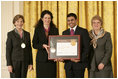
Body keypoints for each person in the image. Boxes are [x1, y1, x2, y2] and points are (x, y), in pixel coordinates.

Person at [61, 13, 90, 78]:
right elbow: (63, 48)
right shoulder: (64, 33)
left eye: (72, 20)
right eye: (68, 20)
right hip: (68, 65)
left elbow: (87, 48)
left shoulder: (83, 31)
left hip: (79, 65)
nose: (70, 22)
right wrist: (61, 57)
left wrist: (79, 59)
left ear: (76, 20)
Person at [32, 10, 59, 78]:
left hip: (52, 59)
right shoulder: (37, 29)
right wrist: (42, 46)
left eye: (49, 18)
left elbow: (58, 44)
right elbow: (34, 44)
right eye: (45, 18)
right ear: (42, 19)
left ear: (51, 19)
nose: (47, 20)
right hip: (41, 60)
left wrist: (57, 56)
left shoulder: (55, 29)